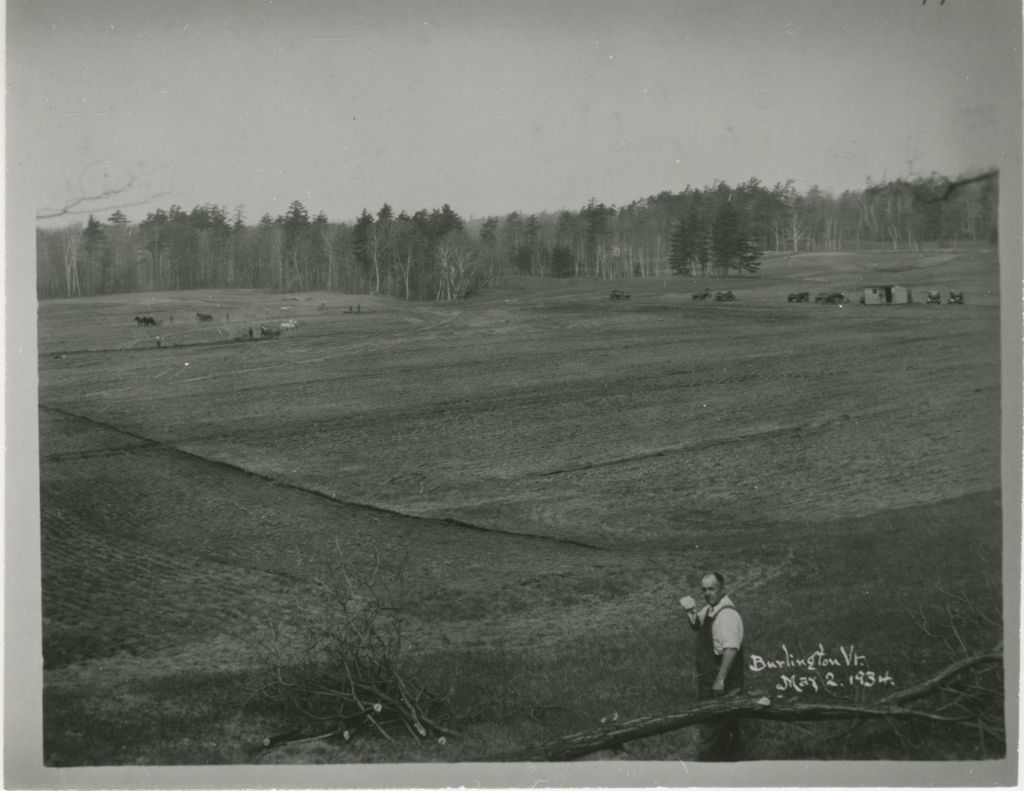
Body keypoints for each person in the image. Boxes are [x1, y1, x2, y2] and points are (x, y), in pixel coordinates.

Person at [681, 571, 745, 761]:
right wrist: (690, 610)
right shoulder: (711, 609)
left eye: (712, 589)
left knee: (710, 735)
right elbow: (696, 624)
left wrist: (720, 680)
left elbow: (731, 649)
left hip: (721, 685)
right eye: (704, 590)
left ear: (722, 589)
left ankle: (704, 773)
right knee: (726, 731)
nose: (707, 593)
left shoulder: (726, 616)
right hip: (711, 681)